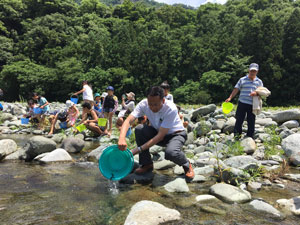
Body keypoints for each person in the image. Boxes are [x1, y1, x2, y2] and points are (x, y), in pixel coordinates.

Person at [118, 86, 194, 179]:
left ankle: (186, 164)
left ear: (163, 100)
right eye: (150, 104)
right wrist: (122, 138)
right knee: (140, 129)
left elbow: (160, 136)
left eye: (156, 104)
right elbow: (128, 120)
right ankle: (147, 164)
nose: (153, 107)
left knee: (171, 152)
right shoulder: (144, 104)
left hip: (176, 135)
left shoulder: (170, 108)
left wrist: (136, 150)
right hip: (158, 131)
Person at [225, 63, 263, 139]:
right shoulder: (242, 79)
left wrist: (256, 93)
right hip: (242, 103)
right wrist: (230, 98)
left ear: (257, 71)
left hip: (252, 104)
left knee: (251, 121)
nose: (252, 72)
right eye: (251, 70)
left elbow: (262, 92)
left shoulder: (259, 81)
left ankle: (249, 137)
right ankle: (237, 136)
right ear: (249, 70)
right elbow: (236, 89)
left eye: (254, 71)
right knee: (239, 120)